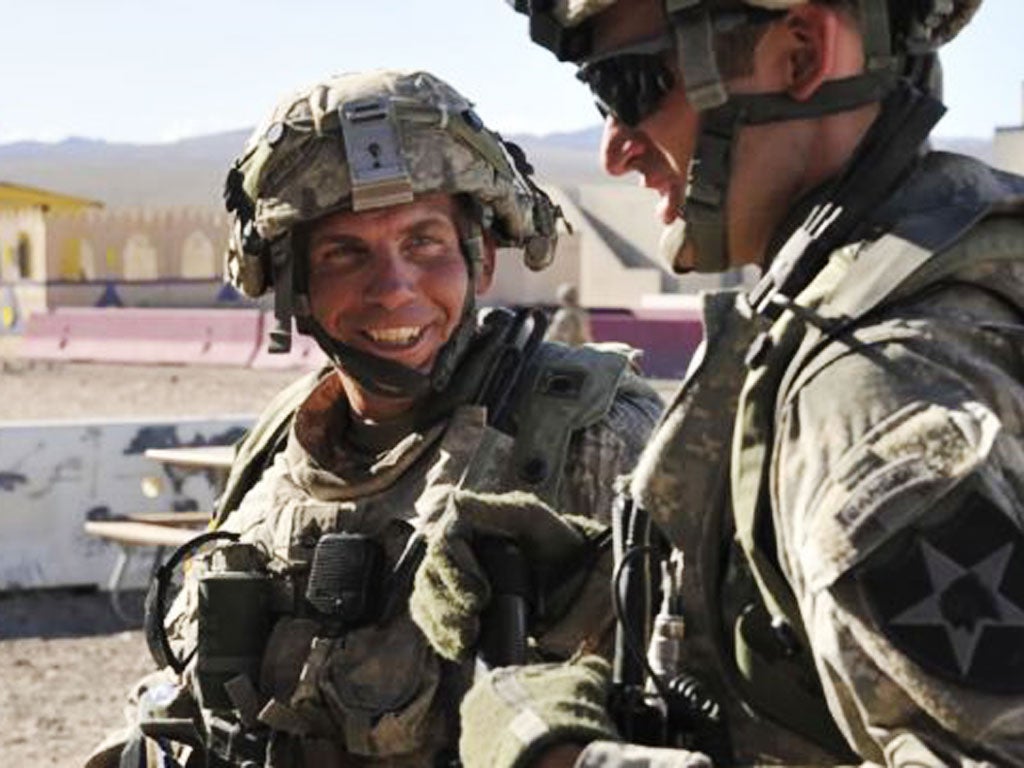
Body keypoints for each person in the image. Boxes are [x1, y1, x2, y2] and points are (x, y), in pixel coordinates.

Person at [410, 0, 1024, 765]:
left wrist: (563, 757)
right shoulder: (933, 267)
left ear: (799, 54)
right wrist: (596, 580)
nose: (615, 149)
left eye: (631, 86)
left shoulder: (876, 390)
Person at [86, 69, 664, 768]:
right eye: (344, 253)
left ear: (478, 259)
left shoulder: (593, 433)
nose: (393, 291)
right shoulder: (279, 444)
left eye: (424, 242)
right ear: (294, 287)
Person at [545, 282, 593, 347]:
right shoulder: (582, 313)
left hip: (567, 348)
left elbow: (554, 335)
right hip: (581, 347)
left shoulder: (562, 315)